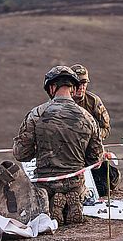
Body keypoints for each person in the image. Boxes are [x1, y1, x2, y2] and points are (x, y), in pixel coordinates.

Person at [13, 66, 105, 227]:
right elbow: (96, 160)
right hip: (76, 184)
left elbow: (21, 154)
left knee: (37, 202)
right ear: (74, 87)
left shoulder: (36, 114)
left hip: (45, 185)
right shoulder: (88, 118)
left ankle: (53, 202)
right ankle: (73, 200)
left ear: (51, 87)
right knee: (79, 191)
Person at [72, 64, 119, 197]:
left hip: (91, 152)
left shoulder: (93, 101)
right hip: (69, 154)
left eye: (84, 83)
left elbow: (106, 128)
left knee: (104, 186)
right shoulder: (59, 102)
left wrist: (93, 137)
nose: (81, 87)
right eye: (78, 83)